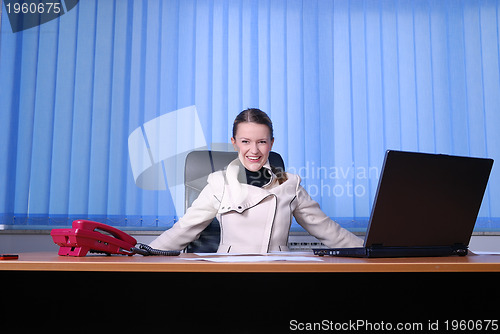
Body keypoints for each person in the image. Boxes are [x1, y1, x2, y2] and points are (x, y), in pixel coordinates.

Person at [149, 108, 363, 253]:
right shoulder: (219, 182)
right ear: (234, 143)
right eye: (245, 141)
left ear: (271, 143)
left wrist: (367, 250)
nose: (254, 150)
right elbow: (185, 229)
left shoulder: (288, 183)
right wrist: (144, 252)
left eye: (262, 142)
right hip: (228, 273)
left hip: (277, 272)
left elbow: (326, 229)